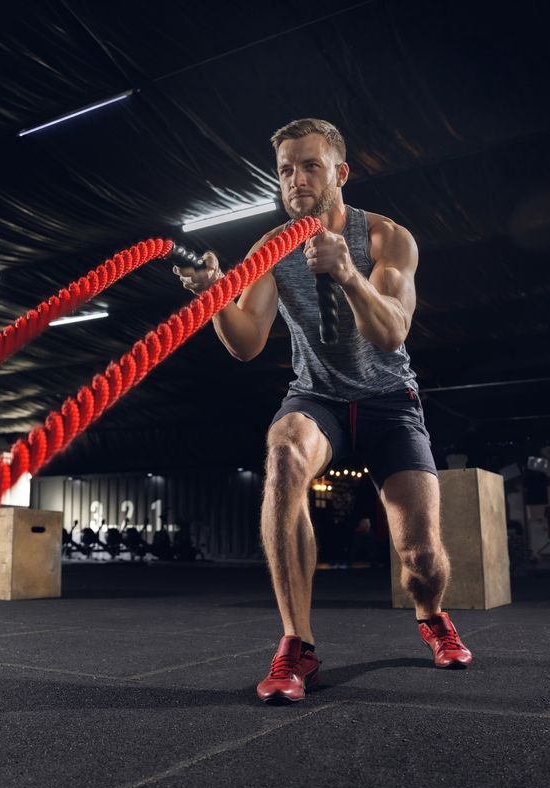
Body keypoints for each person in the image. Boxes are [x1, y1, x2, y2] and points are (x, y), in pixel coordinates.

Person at [173, 118, 472, 704]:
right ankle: (296, 643)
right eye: (285, 169)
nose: (296, 179)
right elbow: (247, 342)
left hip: (389, 401)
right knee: (283, 452)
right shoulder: (270, 250)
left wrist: (346, 272)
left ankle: (432, 617)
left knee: (421, 558)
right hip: (319, 397)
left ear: (340, 173)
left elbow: (391, 333)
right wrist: (210, 295)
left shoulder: (388, 239)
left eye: (310, 165)